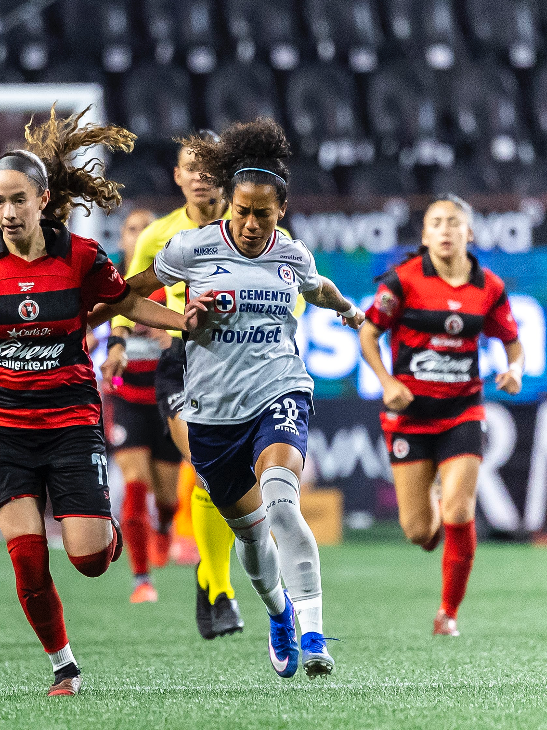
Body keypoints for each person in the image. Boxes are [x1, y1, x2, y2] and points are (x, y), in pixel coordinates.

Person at [0, 107, 210, 697]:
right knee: (28, 560)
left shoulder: (82, 257)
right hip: (4, 432)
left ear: (41, 199)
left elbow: (125, 304)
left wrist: (182, 321)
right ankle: (63, 662)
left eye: (18, 200)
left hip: (71, 425)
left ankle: (110, 535)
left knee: (88, 559)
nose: (7, 213)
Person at [142, 118, 363, 678]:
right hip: (213, 412)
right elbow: (128, 293)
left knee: (283, 504)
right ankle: (280, 613)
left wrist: (344, 309)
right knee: (253, 537)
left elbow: (320, 289)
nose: (249, 222)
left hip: (279, 390)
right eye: (241, 210)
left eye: (262, 213)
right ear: (229, 205)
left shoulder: (292, 254)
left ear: (280, 211)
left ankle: (314, 634)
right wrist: (176, 320)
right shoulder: (191, 249)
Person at [101, 131, 247, 639]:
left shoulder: (254, 226)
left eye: (212, 166)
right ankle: (205, 589)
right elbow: (124, 298)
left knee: (220, 486)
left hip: (241, 365)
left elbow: (289, 289)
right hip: (180, 365)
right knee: (202, 471)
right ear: (178, 176)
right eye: (193, 166)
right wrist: (124, 339)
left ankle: (209, 583)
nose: (202, 175)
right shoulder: (157, 237)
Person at [359, 195, 523, 637]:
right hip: (409, 416)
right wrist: (387, 382)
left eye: (454, 222)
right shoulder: (403, 281)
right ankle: (429, 504)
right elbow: (369, 332)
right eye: (437, 223)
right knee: (419, 533)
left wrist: (515, 370)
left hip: (462, 410)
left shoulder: (489, 286)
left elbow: (512, 341)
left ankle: (447, 613)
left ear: (469, 233)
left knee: (459, 507)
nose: (446, 230)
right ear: (425, 235)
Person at [102, 207, 184, 604]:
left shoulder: (171, 281)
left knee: (168, 497)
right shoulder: (105, 281)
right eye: (131, 229)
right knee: (136, 484)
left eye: (145, 229)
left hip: (168, 397)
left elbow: (192, 327)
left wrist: (170, 334)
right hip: (125, 398)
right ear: (122, 239)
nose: (137, 235)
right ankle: (141, 579)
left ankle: (166, 526)